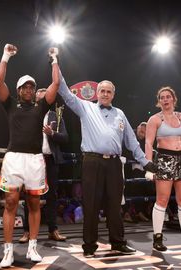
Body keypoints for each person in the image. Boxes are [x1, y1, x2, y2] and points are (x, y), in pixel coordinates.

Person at [58, 73, 157, 257]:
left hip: (113, 164)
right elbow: (64, 92)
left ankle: (118, 243)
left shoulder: (120, 114)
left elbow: (132, 141)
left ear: (113, 94)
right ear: (97, 93)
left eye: (108, 92)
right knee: (91, 205)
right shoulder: (86, 107)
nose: (105, 94)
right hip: (92, 162)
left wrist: (145, 163)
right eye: (102, 91)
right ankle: (89, 246)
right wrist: (55, 63)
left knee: (114, 206)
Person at [0, 44, 60, 268]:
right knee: (11, 203)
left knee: (34, 204)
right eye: (24, 87)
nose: (29, 90)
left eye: (32, 87)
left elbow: (56, 84)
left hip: (34, 159)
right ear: (19, 90)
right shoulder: (10, 104)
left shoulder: (41, 107)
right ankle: (8, 251)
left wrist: (53, 58)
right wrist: (6, 56)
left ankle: (33, 247)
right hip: (14, 158)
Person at [19, 88, 68, 244]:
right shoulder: (29, 113)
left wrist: (51, 133)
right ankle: (27, 231)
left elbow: (65, 138)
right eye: (39, 98)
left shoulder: (56, 116)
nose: (42, 101)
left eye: (45, 98)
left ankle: (53, 230)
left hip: (50, 160)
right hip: (33, 160)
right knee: (30, 196)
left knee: (52, 196)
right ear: (35, 100)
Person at [145, 86, 181, 251]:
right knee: (162, 200)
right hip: (164, 160)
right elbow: (148, 142)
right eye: (162, 97)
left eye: (168, 97)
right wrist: (149, 166)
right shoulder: (155, 119)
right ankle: (157, 238)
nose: (165, 100)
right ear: (159, 101)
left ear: (174, 99)